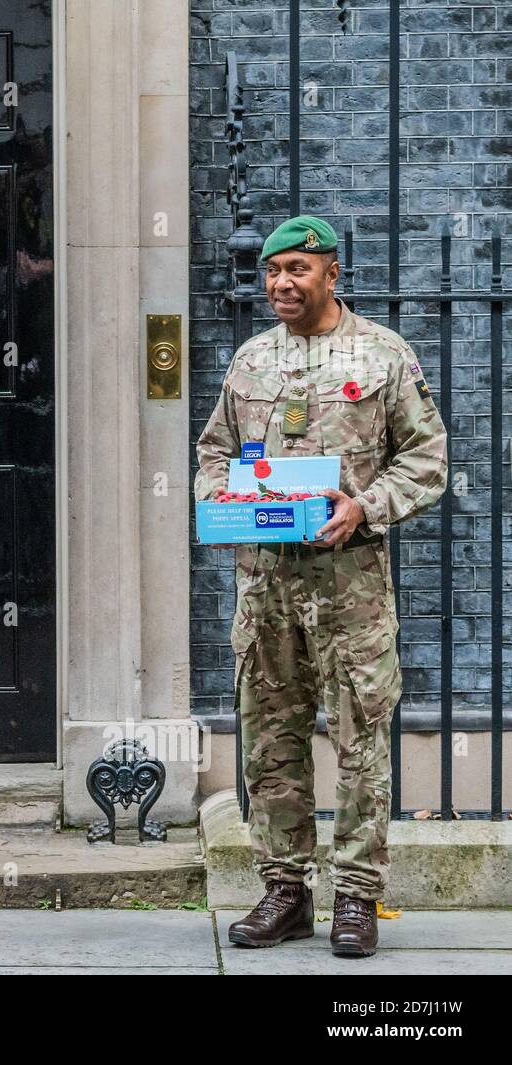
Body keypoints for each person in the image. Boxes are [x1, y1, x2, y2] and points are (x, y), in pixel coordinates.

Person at [195, 215, 448, 957]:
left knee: (361, 740)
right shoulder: (249, 362)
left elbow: (428, 459)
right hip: (266, 587)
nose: (281, 283)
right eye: (274, 271)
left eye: (298, 270)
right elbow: (214, 451)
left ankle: (358, 897)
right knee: (271, 742)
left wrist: (364, 506)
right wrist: (222, 499)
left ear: (332, 274)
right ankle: (284, 890)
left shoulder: (382, 355)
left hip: (352, 590)